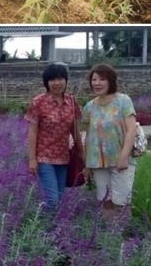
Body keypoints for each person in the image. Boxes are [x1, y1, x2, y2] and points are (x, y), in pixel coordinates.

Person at [25, 62, 84, 211]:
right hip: (44, 158)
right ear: (47, 82)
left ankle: (55, 230)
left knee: (60, 198)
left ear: (65, 80)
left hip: (64, 157)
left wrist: (82, 154)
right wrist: (32, 159)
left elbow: (75, 130)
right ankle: (46, 231)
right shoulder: (38, 102)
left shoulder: (71, 103)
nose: (57, 83)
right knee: (52, 199)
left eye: (60, 79)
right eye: (52, 80)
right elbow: (33, 132)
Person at [82, 64, 137, 219]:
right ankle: (108, 237)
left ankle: (123, 238)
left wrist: (124, 157)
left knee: (121, 202)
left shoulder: (123, 101)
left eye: (102, 79)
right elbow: (86, 136)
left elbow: (131, 130)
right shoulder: (89, 107)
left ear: (110, 81)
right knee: (105, 200)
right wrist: (86, 164)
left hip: (121, 160)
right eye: (94, 79)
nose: (97, 83)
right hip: (98, 162)